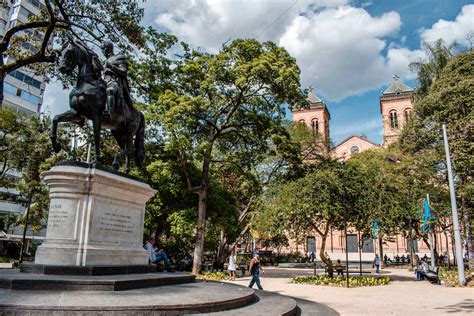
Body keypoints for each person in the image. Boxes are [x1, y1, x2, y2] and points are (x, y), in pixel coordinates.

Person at [101, 41, 134, 117]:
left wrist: (111, 67)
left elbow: (124, 72)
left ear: (108, 49)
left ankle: (109, 111)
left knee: (110, 90)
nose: (102, 51)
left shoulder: (118, 57)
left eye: (103, 49)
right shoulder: (104, 62)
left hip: (114, 81)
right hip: (103, 81)